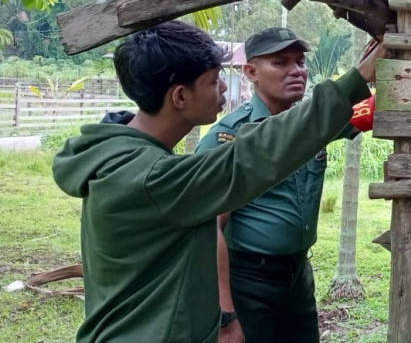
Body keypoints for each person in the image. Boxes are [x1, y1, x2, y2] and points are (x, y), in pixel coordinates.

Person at [51, 20, 383, 343]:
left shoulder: (126, 158)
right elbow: (254, 155)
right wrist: (358, 78)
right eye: (213, 81)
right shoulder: (155, 180)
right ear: (180, 97)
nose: (224, 88)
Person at [195, 27, 371, 343]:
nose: (297, 71)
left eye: (300, 61)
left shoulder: (311, 123)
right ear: (251, 72)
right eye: (280, 62)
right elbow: (209, 229)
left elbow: (366, 114)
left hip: (297, 276)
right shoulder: (230, 137)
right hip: (248, 280)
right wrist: (225, 316)